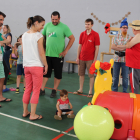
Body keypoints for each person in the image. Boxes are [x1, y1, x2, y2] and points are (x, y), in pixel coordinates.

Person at [40, 11, 75, 98]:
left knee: (57, 74)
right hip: (47, 54)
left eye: (56, 19)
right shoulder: (47, 25)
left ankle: (54, 90)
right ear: (51, 18)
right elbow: (42, 37)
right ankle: (42, 89)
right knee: (45, 73)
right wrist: (42, 49)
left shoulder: (64, 27)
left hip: (58, 56)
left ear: (59, 18)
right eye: (53, 19)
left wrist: (65, 51)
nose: (54, 21)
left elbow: (72, 38)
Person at [22, 15, 48, 120]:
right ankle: (33, 115)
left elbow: (23, 52)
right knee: (36, 90)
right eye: (42, 25)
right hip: (36, 67)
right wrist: (46, 64)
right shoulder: (39, 36)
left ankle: (25, 112)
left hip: (26, 66)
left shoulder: (24, 35)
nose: (42, 27)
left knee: (27, 89)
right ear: (36, 23)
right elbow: (41, 53)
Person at [73, 18, 100, 98]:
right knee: (81, 75)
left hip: (90, 59)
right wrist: (77, 57)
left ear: (92, 25)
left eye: (88, 24)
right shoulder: (82, 34)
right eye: (85, 24)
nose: (87, 26)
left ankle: (90, 91)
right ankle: (80, 89)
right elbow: (80, 46)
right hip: (81, 58)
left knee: (91, 76)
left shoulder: (95, 34)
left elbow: (97, 47)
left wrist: (95, 59)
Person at [111, 18, 131, 93]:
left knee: (125, 77)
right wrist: (125, 47)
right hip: (116, 59)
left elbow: (130, 47)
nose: (125, 29)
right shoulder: (115, 37)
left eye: (126, 27)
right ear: (120, 28)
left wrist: (118, 47)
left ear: (127, 29)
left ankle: (125, 92)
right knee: (115, 77)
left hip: (126, 60)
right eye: (123, 27)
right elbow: (112, 47)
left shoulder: (130, 38)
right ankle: (114, 91)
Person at [0, 11, 12, 107]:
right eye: (0, 20)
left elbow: (8, 41)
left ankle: (0, 96)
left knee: (2, 78)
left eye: (2, 20)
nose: (2, 22)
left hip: (0, 58)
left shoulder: (0, 33)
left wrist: (3, 41)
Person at [125, 20, 140, 94]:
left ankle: (134, 101)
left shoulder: (138, 36)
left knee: (134, 84)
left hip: (135, 63)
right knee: (133, 82)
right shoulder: (137, 37)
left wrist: (129, 41)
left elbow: (128, 45)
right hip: (134, 63)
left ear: (134, 29)